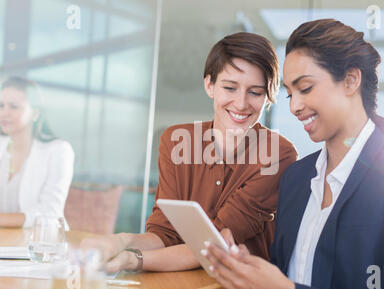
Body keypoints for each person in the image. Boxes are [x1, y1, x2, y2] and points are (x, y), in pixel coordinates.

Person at [204, 19, 384, 289]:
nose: (294, 106)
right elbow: (288, 275)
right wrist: (250, 271)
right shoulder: (296, 178)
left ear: (351, 80)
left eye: (305, 88)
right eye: (290, 94)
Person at [81, 32, 298, 273]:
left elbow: (215, 244)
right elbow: (166, 233)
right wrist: (120, 241)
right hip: (175, 279)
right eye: (230, 87)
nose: (241, 103)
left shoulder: (278, 154)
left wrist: (132, 259)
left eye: (255, 92)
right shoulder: (175, 142)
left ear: (269, 96)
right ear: (210, 85)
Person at [0, 77, 75, 228]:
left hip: (41, 244)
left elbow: (50, 212)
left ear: (35, 113)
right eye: (1, 105)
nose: (4, 113)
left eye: (13, 107)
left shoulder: (59, 151)